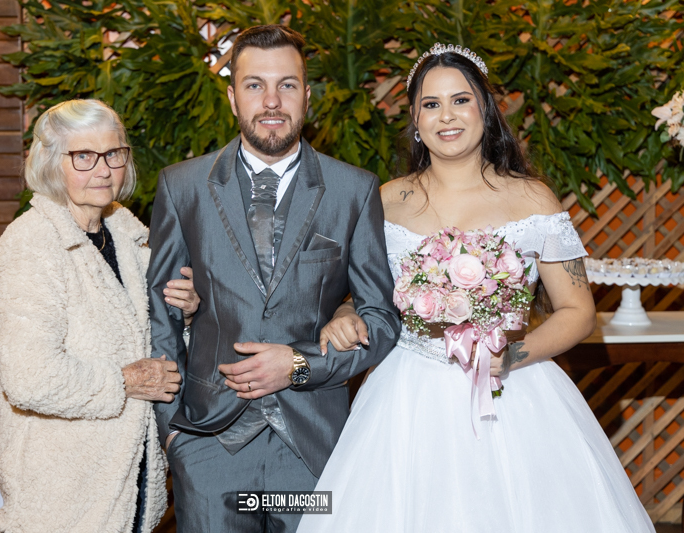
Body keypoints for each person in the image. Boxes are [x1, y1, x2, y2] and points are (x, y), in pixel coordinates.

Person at [297, 44, 655, 532]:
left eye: (461, 100)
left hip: (513, 392)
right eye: (431, 104)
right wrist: (344, 315)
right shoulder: (386, 200)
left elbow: (577, 311)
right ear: (415, 120)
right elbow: (360, 295)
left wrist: (512, 356)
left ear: (485, 109)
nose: (447, 115)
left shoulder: (533, 199)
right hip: (406, 395)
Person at [146, 24, 401, 533]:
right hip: (209, 447)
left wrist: (301, 366)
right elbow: (163, 315)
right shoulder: (182, 187)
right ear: (232, 97)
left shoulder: (353, 191)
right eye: (254, 85)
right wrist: (174, 434)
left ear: (307, 95)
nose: (271, 101)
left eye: (286, 84)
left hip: (312, 450)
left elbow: (382, 319)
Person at [0, 99, 199, 533]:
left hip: (130, 483)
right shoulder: (30, 246)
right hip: (62, 498)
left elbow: (158, 350)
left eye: (113, 153)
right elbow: (29, 378)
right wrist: (124, 381)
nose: (103, 169)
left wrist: (189, 315)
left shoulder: (128, 237)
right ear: (51, 163)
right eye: (83, 156)